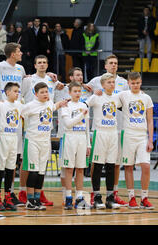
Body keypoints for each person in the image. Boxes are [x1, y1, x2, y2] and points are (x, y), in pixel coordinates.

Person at [86, 54, 129, 207]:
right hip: (100, 133)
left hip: (113, 133)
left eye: (113, 82)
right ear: (102, 85)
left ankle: (110, 198)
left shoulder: (117, 98)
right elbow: (83, 108)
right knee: (97, 165)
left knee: (111, 165)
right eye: (109, 82)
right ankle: (96, 197)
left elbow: (127, 108)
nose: (112, 84)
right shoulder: (96, 97)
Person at [21, 82, 67, 210]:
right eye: (42, 92)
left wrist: (62, 103)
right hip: (32, 141)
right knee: (33, 171)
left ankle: (37, 199)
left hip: (45, 142)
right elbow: (19, 114)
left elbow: (54, 106)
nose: (45, 94)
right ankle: (29, 200)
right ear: (35, 94)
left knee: (41, 172)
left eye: (46, 91)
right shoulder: (30, 106)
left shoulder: (49, 103)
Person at [118, 72, 154, 209]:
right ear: (128, 83)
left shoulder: (146, 98)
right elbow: (108, 97)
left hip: (142, 137)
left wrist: (150, 140)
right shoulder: (123, 95)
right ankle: (131, 197)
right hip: (128, 135)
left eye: (137, 83)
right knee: (128, 166)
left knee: (146, 166)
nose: (135, 85)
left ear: (141, 82)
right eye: (133, 83)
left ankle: (144, 197)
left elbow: (150, 121)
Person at [0, 82, 22, 211]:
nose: (17, 93)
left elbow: (33, 109)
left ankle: (8, 196)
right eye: (15, 91)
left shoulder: (20, 105)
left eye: (18, 91)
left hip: (14, 137)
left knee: (10, 168)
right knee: (0, 167)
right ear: (7, 92)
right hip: (2, 136)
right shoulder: (1, 105)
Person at [59, 81, 91, 210]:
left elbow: (87, 127)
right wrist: (81, 115)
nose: (78, 93)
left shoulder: (84, 105)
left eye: (79, 91)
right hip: (70, 137)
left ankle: (79, 197)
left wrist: (88, 144)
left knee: (80, 168)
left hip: (82, 138)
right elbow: (68, 124)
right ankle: (68, 197)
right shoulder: (66, 105)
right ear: (69, 92)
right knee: (69, 168)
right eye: (75, 91)